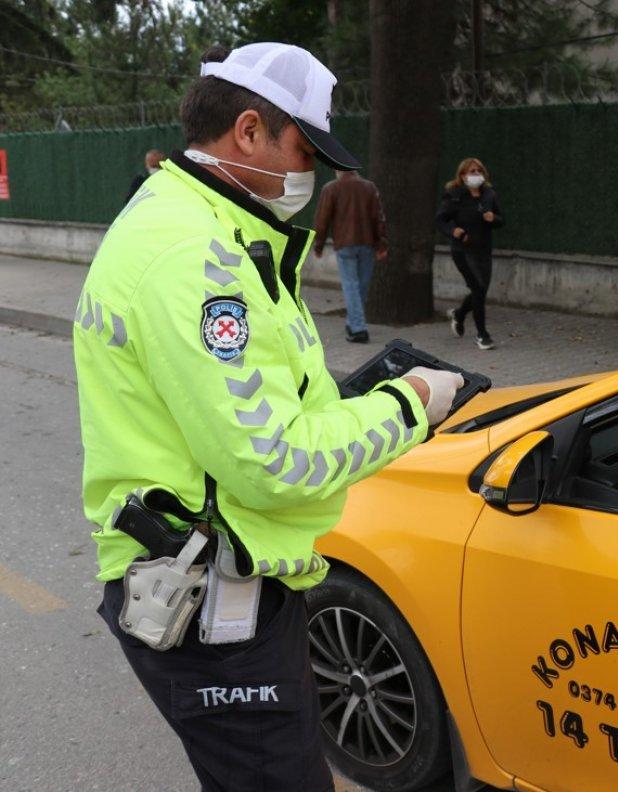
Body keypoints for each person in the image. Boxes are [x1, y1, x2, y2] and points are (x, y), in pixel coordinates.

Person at [73, 43, 463, 791]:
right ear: (249, 131)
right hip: (214, 603)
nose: (310, 171)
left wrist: (342, 405)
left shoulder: (185, 220)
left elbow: (253, 402)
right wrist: (410, 405)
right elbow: (276, 461)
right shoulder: (197, 257)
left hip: (212, 580)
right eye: (304, 148)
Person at [436, 157, 504, 350]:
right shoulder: (454, 195)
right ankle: (482, 335)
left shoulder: (489, 194)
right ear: (463, 175)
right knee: (478, 289)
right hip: (463, 250)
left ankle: (459, 314)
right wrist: (453, 231)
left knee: (480, 290)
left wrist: (493, 218)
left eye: (479, 171)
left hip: (483, 250)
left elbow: (502, 219)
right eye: (472, 171)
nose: (476, 174)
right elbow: (441, 220)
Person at [313, 168, 387, 343]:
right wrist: (381, 244)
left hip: (344, 243)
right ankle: (353, 323)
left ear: (338, 170)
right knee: (361, 286)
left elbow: (322, 219)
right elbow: (379, 217)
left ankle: (358, 328)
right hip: (367, 243)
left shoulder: (331, 188)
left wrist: (318, 245)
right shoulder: (369, 187)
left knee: (351, 286)